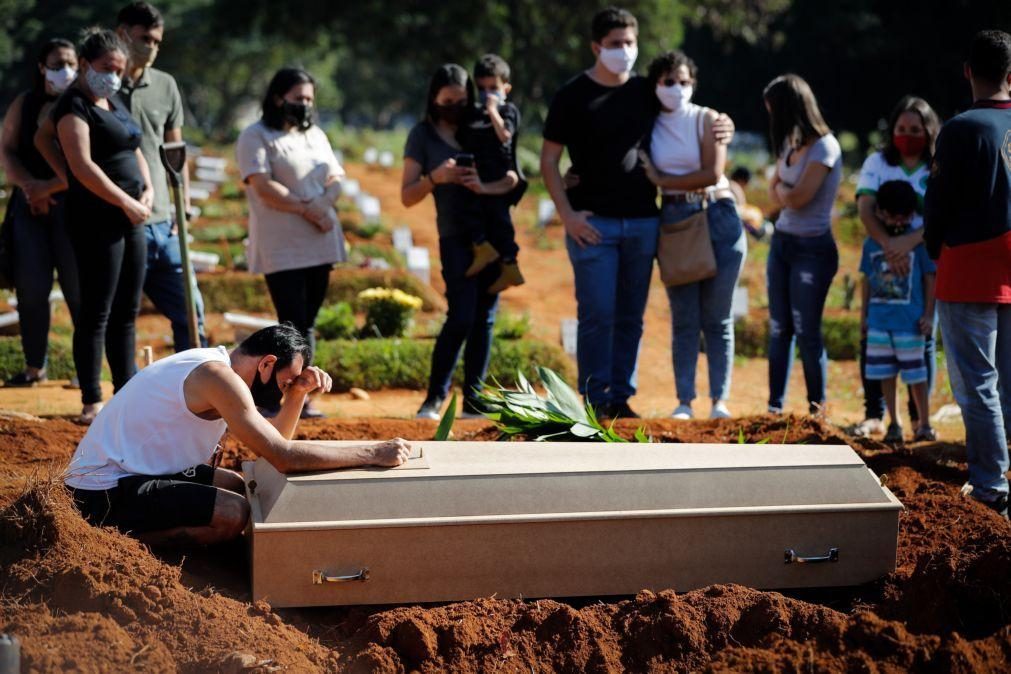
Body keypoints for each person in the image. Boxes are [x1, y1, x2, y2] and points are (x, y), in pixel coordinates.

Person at [540, 7, 733, 419]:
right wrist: (568, 216)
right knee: (596, 314)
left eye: (630, 43)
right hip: (593, 223)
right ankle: (592, 400)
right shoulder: (571, 96)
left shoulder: (648, 90)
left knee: (631, 315)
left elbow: (687, 109)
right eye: (614, 44)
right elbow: (548, 162)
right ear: (596, 47)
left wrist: (724, 125)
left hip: (645, 222)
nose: (624, 51)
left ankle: (620, 396)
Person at [64, 323, 412, 545]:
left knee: (236, 481)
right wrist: (372, 453)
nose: (282, 391)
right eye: (284, 382)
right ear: (266, 363)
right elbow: (283, 457)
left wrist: (295, 396)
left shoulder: (220, 368)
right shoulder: (218, 378)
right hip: (100, 491)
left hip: (132, 470)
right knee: (234, 512)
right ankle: (112, 543)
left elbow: (271, 450)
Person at [44, 28, 153, 424]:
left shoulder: (115, 100)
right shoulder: (73, 107)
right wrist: (124, 201)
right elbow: (83, 166)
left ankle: (127, 393)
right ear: (87, 65)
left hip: (133, 217)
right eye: (107, 68)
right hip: (97, 220)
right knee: (96, 312)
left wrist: (148, 191)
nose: (114, 75)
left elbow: (134, 148)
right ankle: (92, 399)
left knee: (127, 311)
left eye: (119, 69)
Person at [925, 29, 1011, 519]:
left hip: (970, 267)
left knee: (978, 383)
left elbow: (938, 205)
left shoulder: (961, 128)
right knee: (1007, 383)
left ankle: (990, 486)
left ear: (967, 71)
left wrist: (935, 247)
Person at [402, 64, 518, 420]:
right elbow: (407, 195)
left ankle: (474, 398)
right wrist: (436, 177)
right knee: (461, 316)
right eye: (447, 101)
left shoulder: (480, 124)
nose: (454, 106)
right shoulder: (422, 135)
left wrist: (484, 183)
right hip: (455, 235)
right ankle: (435, 397)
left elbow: (512, 173)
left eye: (460, 100)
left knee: (484, 318)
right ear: (434, 100)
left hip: (493, 231)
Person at [637, 50, 746, 420]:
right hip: (676, 219)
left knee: (718, 317)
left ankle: (720, 400)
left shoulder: (708, 119)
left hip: (717, 212)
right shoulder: (647, 123)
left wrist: (662, 180)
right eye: (669, 82)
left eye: (684, 82)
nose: (677, 89)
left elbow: (711, 171)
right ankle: (684, 400)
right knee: (684, 318)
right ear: (655, 84)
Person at [236, 68, 347, 419]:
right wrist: (307, 209)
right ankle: (271, 398)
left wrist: (322, 206)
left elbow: (336, 180)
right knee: (291, 323)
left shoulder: (314, 134)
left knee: (307, 324)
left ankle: (303, 395)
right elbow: (262, 185)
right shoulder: (256, 136)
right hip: (282, 245)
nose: (304, 105)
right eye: (298, 98)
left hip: (319, 240)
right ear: (277, 97)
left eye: (309, 99)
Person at [115, 2, 207, 351]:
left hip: (164, 223)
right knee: (120, 316)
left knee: (191, 312)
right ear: (122, 34)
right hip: (120, 221)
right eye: (144, 38)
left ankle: (193, 393)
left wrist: (182, 203)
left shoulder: (166, 85)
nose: (151, 47)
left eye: (157, 41)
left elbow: (176, 151)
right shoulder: (100, 85)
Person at [850, 96, 942, 438]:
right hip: (884, 254)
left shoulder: (937, 164)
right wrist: (890, 247)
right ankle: (878, 414)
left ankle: (921, 419)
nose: (907, 135)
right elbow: (865, 208)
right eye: (901, 128)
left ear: (929, 130)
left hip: (923, 254)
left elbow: (940, 216)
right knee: (876, 345)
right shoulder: (878, 162)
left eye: (915, 129)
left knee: (921, 342)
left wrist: (910, 243)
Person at [0, 38, 81, 386]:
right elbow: (6, 149)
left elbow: (89, 164)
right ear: (41, 66)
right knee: (31, 289)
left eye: (71, 63)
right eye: (57, 62)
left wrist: (49, 188)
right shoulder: (25, 102)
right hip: (30, 206)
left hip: (75, 208)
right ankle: (35, 367)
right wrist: (31, 186)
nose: (65, 70)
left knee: (80, 290)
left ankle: (87, 371)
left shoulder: (83, 104)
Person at [763, 74, 843, 416]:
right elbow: (775, 192)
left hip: (812, 249)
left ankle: (816, 409)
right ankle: (774, 407)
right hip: (782, 244)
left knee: (807, 330)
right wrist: (783, 193)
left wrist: (783, 192)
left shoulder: (825, 147)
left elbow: (795, 198)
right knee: (779, 328)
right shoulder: (790, 144)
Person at [859, 180, 936, 443]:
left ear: (912, 215)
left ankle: (924, 423)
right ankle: (895, 423)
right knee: (886, 375)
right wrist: (864, 317)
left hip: (910, 323)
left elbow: (930, 278)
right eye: (891, 215)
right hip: (880, 322)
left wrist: (928, 314)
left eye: (903, 216)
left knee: (917, 375)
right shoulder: (871, 244)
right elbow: (866, 279)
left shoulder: (919, 245)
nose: (896, 221)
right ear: (879, 212)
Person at [459, 53, 525, 294]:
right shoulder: (474, 115)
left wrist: (493, 110)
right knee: (471, 214)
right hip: (478, 176)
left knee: (500, 223)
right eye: (482, 89)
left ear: (506, 88)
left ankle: (510, 265)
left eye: (493, 88)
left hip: (498, 178)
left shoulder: (508, 111)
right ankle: (482, 248)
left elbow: (505, 135)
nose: (488, 93)